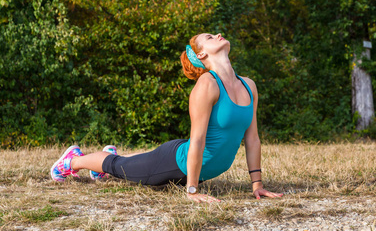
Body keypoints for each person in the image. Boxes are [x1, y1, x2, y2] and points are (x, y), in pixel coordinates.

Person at [50, 33, 283, 203]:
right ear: (201, 53)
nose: (219, 35)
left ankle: (107, 154)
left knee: (131, 163)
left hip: (191, 162)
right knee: (120, 167)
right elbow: (198, 139)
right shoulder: (207, 85)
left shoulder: (248, 85)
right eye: (211, 36)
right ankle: (72, 160)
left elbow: (252, 139)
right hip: (177, 164)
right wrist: (192, 190)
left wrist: (257, 185)